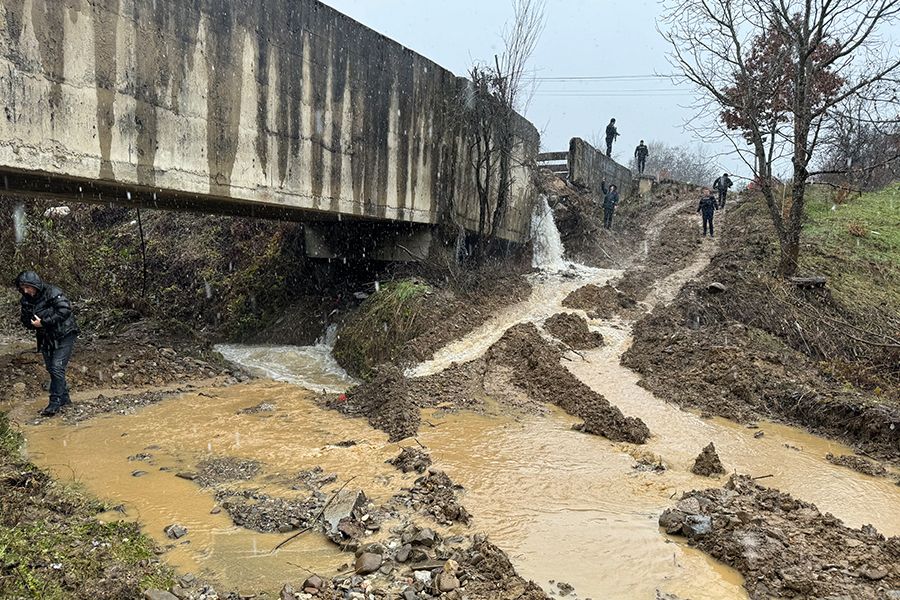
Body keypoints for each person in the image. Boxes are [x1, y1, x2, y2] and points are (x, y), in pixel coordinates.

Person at [15, 271, 79, 416]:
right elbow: (25, 320)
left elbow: (65, 310)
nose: (26, 291)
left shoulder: (52, 292)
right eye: (23, 288)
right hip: (45, 336)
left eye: (28, 287)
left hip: (65, 333)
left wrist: (44, 321)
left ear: (35, 285)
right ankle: (64, 399)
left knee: (57, 367)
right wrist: (33, 323)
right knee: (52, 368)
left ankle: (54, 402)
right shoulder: (26, 300)